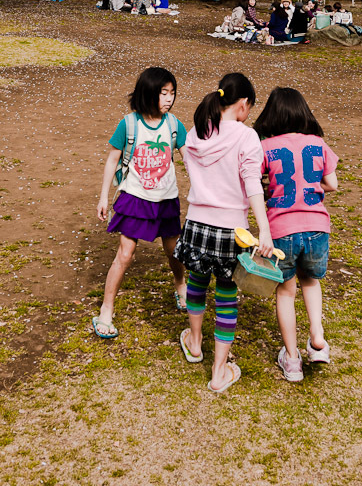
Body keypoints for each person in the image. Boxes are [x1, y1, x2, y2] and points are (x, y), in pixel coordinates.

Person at [174, 73, 273, 393]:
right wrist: (265, 231)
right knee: (227, 298)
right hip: (233, 230)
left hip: (197, 224)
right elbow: (253, 187)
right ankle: (218, 371)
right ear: (243, 105)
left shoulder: (196, 132)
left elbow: (192, 170)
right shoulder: (247, 138)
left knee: (197, 285)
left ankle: (195, 341)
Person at [94, 67, 188, 339]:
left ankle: (180, 285)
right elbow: (112, 159)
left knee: (174, 252)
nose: (169, 99)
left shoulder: (174, 125)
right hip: (135, 197)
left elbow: (189, 158)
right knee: (125, 255)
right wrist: (103, 197)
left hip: (166, 198)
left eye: (172, 93)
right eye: (163, 93)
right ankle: (106, 309)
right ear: (148, 93)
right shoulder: (129, 124)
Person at [254, 87, 338, 382]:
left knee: (286, 291)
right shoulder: (317, 143)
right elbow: (332, 183)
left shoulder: (267, 147)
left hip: (282, 229)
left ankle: (291, 360)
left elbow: (256, 183)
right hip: (317, 226)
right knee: (311, 281)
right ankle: (317, 337)